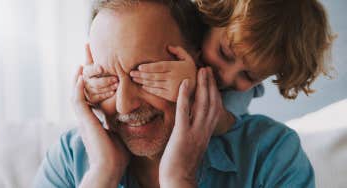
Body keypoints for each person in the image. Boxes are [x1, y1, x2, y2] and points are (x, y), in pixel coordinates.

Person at [34, 0, 315, 187]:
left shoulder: (273, 155)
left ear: (193, 59)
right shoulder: (70, 160)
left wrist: (179, 178)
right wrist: (102, 173)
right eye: (107, 78)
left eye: (145, 73)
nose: (125, 104)